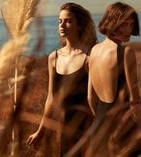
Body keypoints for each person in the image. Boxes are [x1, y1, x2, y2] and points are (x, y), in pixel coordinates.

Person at [26, 2, 97, 156]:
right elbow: (51, 98)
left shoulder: (89, 57)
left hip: (86, 129)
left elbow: (94, 99)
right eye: (60, 21)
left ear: (80, 26)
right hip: (63, 129)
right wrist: (40, 132)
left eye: (68, 21)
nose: (62, 25)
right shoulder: (54, 57)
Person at [87, 2, 141, 156]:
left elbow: (91, 98)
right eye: (123, 24)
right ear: (112, 22)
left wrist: (101, 123)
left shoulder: (94, 51)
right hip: (123, 129)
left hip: (98, 129)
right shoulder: (126, 52)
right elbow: (134, 98)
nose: (128, 30)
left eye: (131, 24)